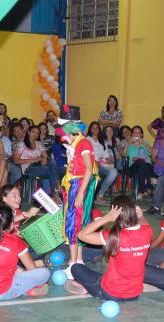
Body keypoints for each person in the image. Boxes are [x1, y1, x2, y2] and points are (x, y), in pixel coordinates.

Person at [65, 196, 153, 301]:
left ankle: (88, 289)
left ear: (114, 215)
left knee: (75, 267)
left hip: (110, 293)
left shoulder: (113, 236)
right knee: (101, 275)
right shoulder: (147, 232)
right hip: (135, 294)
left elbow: (81, 235)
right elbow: (145, 224)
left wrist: (107, 218)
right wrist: (141, 216)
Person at [0, 206, 50, 299]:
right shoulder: (15, 241)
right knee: (45, 273)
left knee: (10, 267)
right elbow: (32, 268)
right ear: (11, 224)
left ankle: (22, 285)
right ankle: (28, 290)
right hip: (0, 293)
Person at [58, 105, 99, 270]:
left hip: (80, 185)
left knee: (74, 222)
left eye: (64, 131)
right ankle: (78, 260)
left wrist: (80, 193)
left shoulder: (83, 144)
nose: (62, 134)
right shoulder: (76, 144)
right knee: (79, 222)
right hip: (76, 185)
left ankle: (74, 263)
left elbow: (89, 169)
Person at [14, 125, 57, 196]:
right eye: (33, 132)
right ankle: (54, 193)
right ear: (28, 132)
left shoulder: (39, 143)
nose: (35, 134)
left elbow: (45, 156)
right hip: (28, 168)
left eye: (37, 133)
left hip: (40, 166)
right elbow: (16, 161)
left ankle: (51, 194)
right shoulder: (22, 144)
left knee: (52, 162)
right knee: (51, 170)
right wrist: (34, 160)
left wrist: (44, 159)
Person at [125, 125, 155, 200]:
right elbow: (123, 155)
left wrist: (144, 144)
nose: (137, 135)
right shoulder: (129, 144)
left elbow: (152, 154)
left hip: (146, 166)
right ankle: (150, 180)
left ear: (141, 135)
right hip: (132, 167)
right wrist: (128, 143)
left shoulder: (145, 143)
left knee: (141, 168)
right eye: (135, 133)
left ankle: (141, 191)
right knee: (140, 161)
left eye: (138, 133)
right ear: (132, 134)